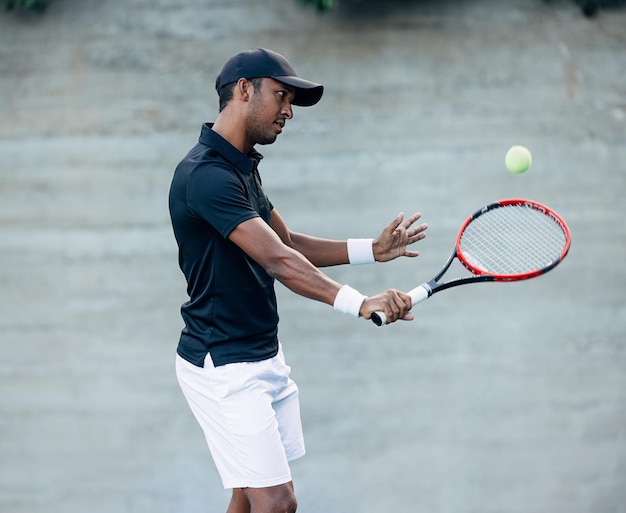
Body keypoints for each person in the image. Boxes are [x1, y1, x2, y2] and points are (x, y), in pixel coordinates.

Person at [168, 48, 428, 513]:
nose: (288, 111)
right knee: (278, 503)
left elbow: (287, 244)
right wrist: (361, 303)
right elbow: (278, 262)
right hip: (223, 365)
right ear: (244, 90)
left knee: (249, 494)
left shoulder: (239, 167)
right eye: (281, 96)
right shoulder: (205, 176)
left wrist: (372, 250)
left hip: (261, 353)